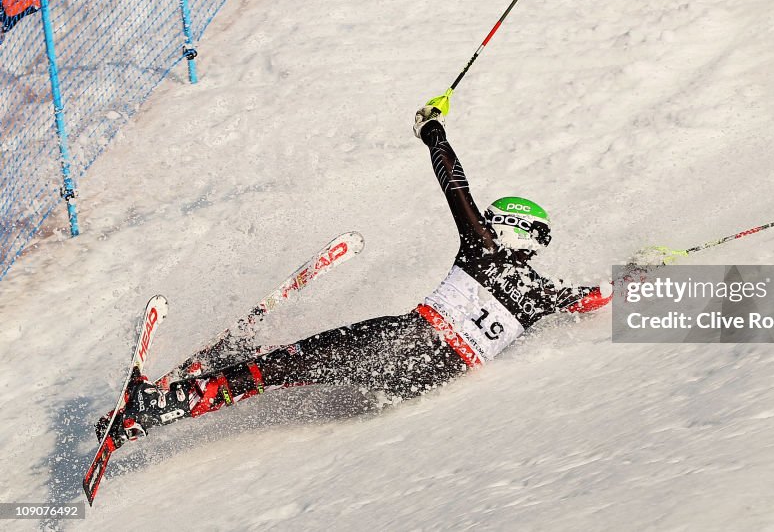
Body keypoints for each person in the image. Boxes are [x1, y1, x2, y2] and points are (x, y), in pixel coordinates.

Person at [99, 104, 611, 446]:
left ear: (510, 230)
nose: (489, 226)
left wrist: (432, 127)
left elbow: (454, 181)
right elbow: (596, 298)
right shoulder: (542, 294)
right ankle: (178, 399)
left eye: (496, 222)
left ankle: (158, 407)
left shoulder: (482, 250)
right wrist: (640, 273)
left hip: (402, 341)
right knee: (288, 374)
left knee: (281, 369)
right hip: (421, 380)